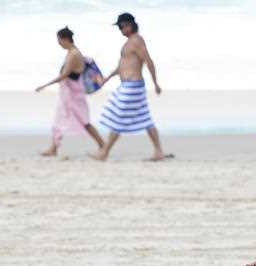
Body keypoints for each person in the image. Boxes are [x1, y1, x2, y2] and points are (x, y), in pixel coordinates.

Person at [93, 13, 170, 161]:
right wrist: (106, 79)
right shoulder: (128, 43)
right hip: (127, 85)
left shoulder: (136, 41)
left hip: (133, 86)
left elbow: (149, 61)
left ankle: (104, 152)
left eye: (121, 26)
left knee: (118, 117)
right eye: (119, 27)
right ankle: (158, 151)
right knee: (145, 119)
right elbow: (121, 66)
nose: (120, 30)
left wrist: (155, 83)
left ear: (129, 25)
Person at [35, 27, 104, 156]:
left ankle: (102, 145)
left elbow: (65, 75)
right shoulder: (72, 52)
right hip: (69, 92)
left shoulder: (74, 54)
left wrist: (45, 85)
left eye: (59, 40)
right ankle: (53, 148)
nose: (58, 43)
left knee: (84, 121)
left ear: (65, 39)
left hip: (74, 94)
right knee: (60, 118)